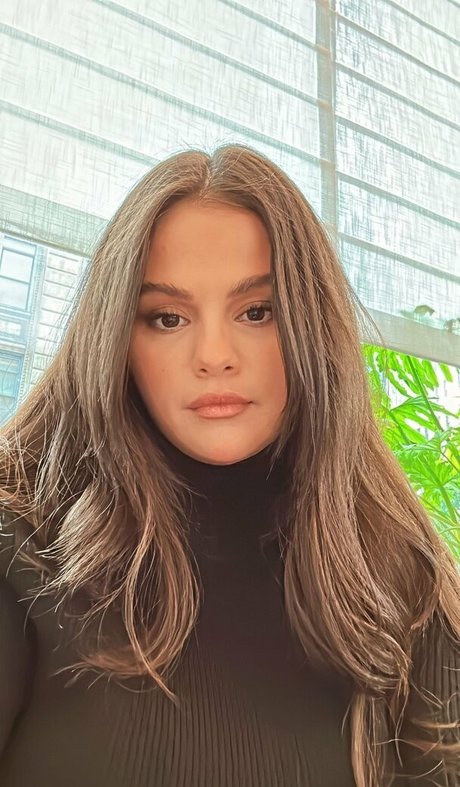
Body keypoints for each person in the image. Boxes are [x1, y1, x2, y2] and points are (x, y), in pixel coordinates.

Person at [0, 144, 458, 787]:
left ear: (313, 328)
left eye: (256, 312)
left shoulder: (399, 577)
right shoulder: (19, 538)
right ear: (117, 339)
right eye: (167, 318)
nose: (214, 354)